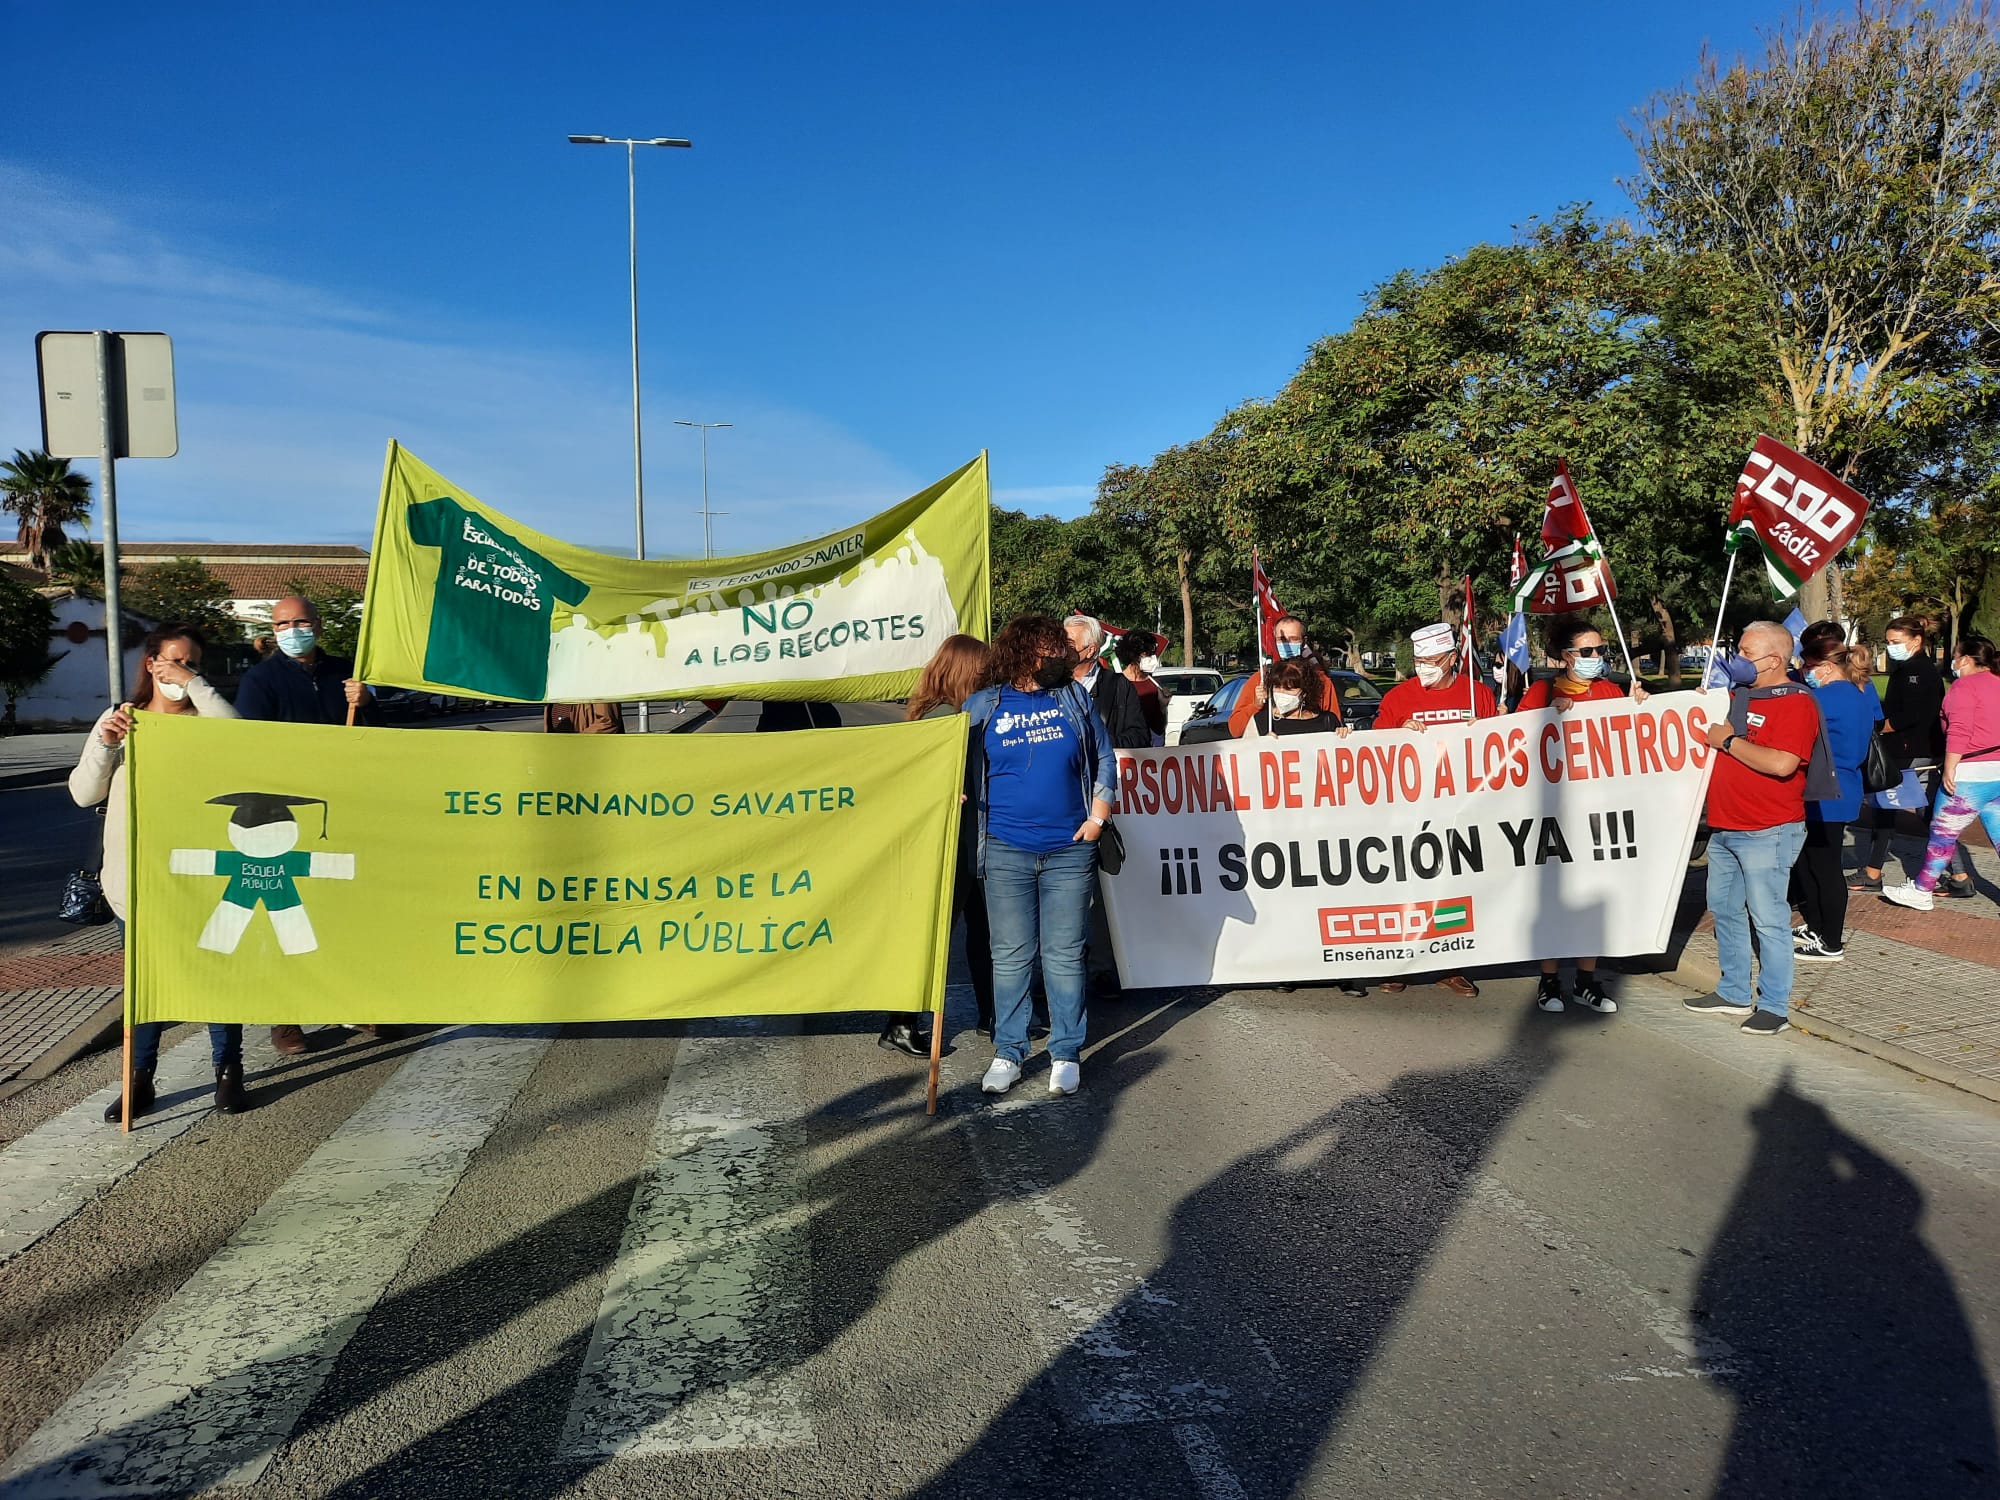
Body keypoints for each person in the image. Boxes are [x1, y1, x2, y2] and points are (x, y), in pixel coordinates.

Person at [69, 624, 249, 1121]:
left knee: (217, 974)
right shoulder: (122, 720)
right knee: (145, 983)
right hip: (137, 884)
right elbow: (84, 793)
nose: (181, 671)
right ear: (150, 663)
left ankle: (228, 1071)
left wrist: (196, 688)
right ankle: (138, 1079)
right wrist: (107, 744)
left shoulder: (205, 720)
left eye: (192, 664)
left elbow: (242, 740)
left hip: (202, 879)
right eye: (173, 661)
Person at [964, 616, 1117, 1097]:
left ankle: (1066, 1051)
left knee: (1064, 955)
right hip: (1006, 849)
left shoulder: (1073, 698)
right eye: (1052, 648)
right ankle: (1009, 1052)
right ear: (1027, 652)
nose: (1061, 656)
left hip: (1070, 849)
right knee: (1009, 957)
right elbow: (950, 767)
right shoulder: (982, 706)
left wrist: (1098, 817)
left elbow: (1104, 756)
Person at [234, 595, 378, 1056]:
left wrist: (367, 701)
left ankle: (355, 1002)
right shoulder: (260, 680)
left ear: (317, 625)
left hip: (348, 806)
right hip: (284, 814)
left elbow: (384, 739)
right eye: (282, 623)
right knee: (285, 915)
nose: (291, 629)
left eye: (299, 622)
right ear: (272, 631)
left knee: (347, 910)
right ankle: (285, 1018)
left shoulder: (347, 672)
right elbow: (251, 746)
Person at [1684, 620, 1827, 1036]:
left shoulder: (1796, 703)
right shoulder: (1737, 695)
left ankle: (1774, 1005)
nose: (1737, 659)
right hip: (1726, 826)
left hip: (1769, 828)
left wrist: (1727, 742)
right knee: (1725, 911)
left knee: (1768, 918)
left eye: (1746, 653)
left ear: (1774, 660)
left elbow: (1783, 764)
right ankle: (1732, 990)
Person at [1517, 616, 1643, 1013]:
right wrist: (1546, 715)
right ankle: (1550, 981)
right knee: (1554, 898)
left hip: (1600, 812)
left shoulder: (1610, 691)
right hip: (1553, 813)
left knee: (1593, 895)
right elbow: (1511, 740)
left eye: (1600, 651)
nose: (1595, 658)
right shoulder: (1541, 691)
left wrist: (1641, 705)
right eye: (1586, 651)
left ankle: (1586, 982)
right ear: (1564, 657)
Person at [879, 634, 994, 1057]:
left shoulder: (933, 711)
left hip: (961, 832)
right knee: (943, 930)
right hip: (951, 837)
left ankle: (989, 1011)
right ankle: (902, 1021)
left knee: (979, 923)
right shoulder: (946, 718)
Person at [1372, 622, 1496, 999]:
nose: (1423, 667)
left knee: (1454, 886)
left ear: (1452, 659)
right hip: (1411, 810)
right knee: (1408, 885)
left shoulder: (1478, 694)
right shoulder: (1398, 697)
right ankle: (1399, 961)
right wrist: (1398, 733)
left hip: (1462, 810)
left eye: (1431, 660)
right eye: (1419, 660)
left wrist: (1485, 727)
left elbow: (1498, 747)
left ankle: (1450, 965)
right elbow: (1373, 748)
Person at [1854, 615, 1975, 897]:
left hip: (1911, 750)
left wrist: (1880, 727)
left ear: (1916, 641)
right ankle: (1959, 875)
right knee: (1926, 812)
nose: (1891, 647)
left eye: (1896, 642)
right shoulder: (1908, 668)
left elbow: (1913, 714)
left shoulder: (1917, 672)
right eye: (1888, 642)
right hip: (1915, 749)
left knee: (1889, 807)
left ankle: (1873, 872)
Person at [1883, 635, 2000, 912]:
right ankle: (1922, 888)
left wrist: (1950, 767)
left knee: (1941, 833)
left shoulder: (1963, 688)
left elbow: (1959, 730)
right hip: (1996, 770)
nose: (1954, 662)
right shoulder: (1997, 684)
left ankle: (1922, 890)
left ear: (1967, 660)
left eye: (1957, 657)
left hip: (1970, 771)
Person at [1790, 623, 1882, 960]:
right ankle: (1817, 926)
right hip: (1843, 788)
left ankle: (1831, 940)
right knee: (1814, 862)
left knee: (1824, 868)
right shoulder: (1858, 694)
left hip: (1825, 790)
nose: (1805, 673)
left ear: (1826, 667)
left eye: (1809, 667)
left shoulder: (1819, 698)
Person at [1229, 614, 1333, 737]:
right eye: (1282, 639)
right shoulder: (1260, 679)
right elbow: (1235, 730)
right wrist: (1256, 706)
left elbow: (1334, 728)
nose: (1287, 644)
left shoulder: (1321, 681)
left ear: (1303, 641)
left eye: (1293, 639)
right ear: (1274, 641)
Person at [1064, 613, 1150, 751]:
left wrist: (1100, 742)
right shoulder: (1053, 685)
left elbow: (1139, 737)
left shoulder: (1120, 686)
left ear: (1090, 650)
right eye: (1060, 643)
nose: (1062, 650)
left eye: (1069, 644)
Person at [1113, 631, 1167, 746]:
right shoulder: (1115, 684)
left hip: (1148, 752)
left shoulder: (1153, 685)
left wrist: (1163, 707)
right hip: (1123, 749)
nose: (1152, 658)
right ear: (1134, 656)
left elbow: (1159, 729)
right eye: (1147, 654)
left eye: (1153, 653)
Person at [542, 702, 626, 733]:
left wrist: (578, 741)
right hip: (559, 752)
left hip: (588, 755)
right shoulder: (554, 683)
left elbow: (608, 722)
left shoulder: (598, 678)